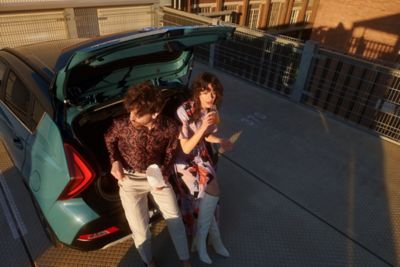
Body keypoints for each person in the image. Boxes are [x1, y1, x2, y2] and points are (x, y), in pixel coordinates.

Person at [104, 82, 191, 267]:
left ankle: (186, 261)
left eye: (137, 114)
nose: (131, 117)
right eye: (131, 111)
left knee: (175, 218)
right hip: (129, 180)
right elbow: (109, 139)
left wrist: (164, 175)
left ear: (155, 113)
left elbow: (171, 152)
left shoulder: (170, 127)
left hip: (158, 177)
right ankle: (149, 262)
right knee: (140, 230)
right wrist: (114, 161)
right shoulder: (121, 125)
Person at [174, 72, 233, 264]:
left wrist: (221, 140)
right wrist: (201, 128)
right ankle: (206, 242)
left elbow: (207, 137)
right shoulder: (184, 110)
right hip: (185, 163)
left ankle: (211, 241)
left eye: (214, 91)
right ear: (197, 92)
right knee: (213, 191)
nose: (211, 96)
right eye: (206, 91)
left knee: (204, 202)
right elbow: (185, 147)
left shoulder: (212, 109)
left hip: (201, 158)